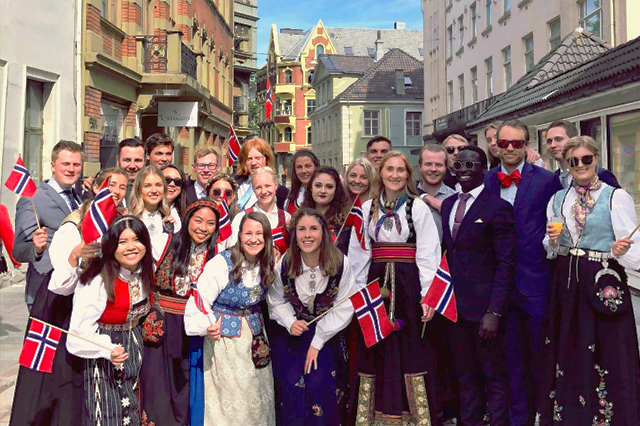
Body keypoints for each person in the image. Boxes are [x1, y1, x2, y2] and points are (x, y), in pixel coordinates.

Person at [8, 168, 126, 426]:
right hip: (59, 306)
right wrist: (75, 256)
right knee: (53, 376)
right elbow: (60, 280)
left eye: (122, 187)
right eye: (110, 184)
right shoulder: (74, 224)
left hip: (93, 306)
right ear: (96, 187)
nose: (116, 191)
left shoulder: (120, 222)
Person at [540, 135, 640, 425]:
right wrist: (553, 241)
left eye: (587, 159)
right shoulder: (558, 199)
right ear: (567, 164)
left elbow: (634, 253)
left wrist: (619, 250)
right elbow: (550, 250)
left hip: (601, 280)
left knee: (607, 353)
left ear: (596, 159)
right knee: (569, 351)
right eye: (574, 161)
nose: (581, 165)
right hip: (566, 283)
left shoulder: (615, 197)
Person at [348, 151, 442, 425]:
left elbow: (428, 254)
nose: (394, 175)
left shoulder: (418, 207)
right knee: (376, 345)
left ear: (408, 175)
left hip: (408, 284)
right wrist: (359, 293)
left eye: (400, 170)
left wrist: (428, 296)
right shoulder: (367, 209)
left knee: (410, 345)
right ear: (381, 173)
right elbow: (359, 253)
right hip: (376, 284)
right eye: (389, 169)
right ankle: (372, 415)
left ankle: (414, 416)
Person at [483, 119, 562, 426]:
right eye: (504, 144)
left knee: (541, 361)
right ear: (496, 146)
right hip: (499, 289)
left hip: (535, 283)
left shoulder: (546, 180)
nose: (511, 149)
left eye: (517, 143)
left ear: (527, 144)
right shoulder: (487, 181)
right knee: (509, 362)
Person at [440, 145, 517, 426]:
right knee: (465, 376)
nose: (463, 171)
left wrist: (494, 312)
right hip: (455, 310)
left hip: (486, 313)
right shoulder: (448, 205)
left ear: (484, 169)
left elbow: (506, 263)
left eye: (470, 165)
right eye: (458, 165)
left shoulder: (498, 207)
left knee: (493, 376)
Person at [184, 211, 277, 426]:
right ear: (240, 236)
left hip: (255, 337)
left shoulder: (268, 262)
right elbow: (199, 301)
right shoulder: (222, 263)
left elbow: (275, 299)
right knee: (230, 398)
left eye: (259, 234)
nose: (253, 239)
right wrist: (206, 326)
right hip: (224, 341)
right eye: (248, 233)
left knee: (257, 396)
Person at [268, 208, 356, 425]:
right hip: (293, 336)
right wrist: (290, 322)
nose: (307, 235)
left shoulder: (341, 263)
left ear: (324, 233)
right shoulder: (286, 262)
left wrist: (317, 343)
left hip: (327, 335)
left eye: (313, 229)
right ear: (295, 235)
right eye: (302, 229)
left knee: (319, 383)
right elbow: (276, 299)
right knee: (291, 385)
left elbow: (345, 306)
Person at [67, 215, 154, 426]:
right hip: (104, 356)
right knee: (109, 416)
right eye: (123, 242)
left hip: (135, 351)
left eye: (137, 240)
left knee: (134, 414)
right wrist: (106, 350)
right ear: (112, 246)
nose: (131, 247)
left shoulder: (145, 272)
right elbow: (76, 337)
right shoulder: (97, 281)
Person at [140, 200, 219, 426]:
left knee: (185, 388)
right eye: (198, 220)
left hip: (194, 327)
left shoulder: (217, 254)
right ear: (187, 220)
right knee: (156, 386)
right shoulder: (163, 242)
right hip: (162, 324)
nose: (203, 227)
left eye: (210, 223)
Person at [13, 140, 83, 310]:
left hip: (74, 289)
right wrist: (36, 248)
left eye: (76, 164)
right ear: (53, 166)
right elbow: (19, 251)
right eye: (65, 164)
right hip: (46, 291)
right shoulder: (33, 199)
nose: (71, 169)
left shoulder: (78, 196)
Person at [228, 167, 291, 259]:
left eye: (267, 186)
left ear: (276, 185)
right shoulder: (242, 217)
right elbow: (233, 249)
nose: (263, 191)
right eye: (258, 187)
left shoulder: (286, 217)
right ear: (253, 189)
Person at [545, 119, 620, 188]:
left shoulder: (601, 175)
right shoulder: (552, 179)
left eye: (559, 139)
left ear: (574, 139)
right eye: (549, 141)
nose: (553, 145)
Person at [129, 166, 177, 262]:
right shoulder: (129, 219)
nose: (154, 190)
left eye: (158, 185)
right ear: (139, 189)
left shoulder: (171, 220)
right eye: (147, 186)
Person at [303, 166, 350, 255]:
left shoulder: (346, 223)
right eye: (318, 185)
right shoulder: (299, 219)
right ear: (310, 187)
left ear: (336, 190)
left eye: (329, 187)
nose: (323, 191)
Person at [416, 143, 457, 240]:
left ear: (446, 167)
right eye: (428, 164)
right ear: (420, 165)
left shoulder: (455, 199)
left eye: (438, 165)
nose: (433, 169)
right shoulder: (407, 195)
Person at [235, 138, 288, 210]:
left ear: (266, 159)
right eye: (249, 159)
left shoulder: (281, 193)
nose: (253, 163)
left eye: (257, 158)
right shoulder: (235, 185)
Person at [284, 149, 319, 216]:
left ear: (316, 167)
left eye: (308, 166)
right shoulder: (289, 202)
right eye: (299, 167)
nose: (303, 171)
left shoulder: (325, 196)